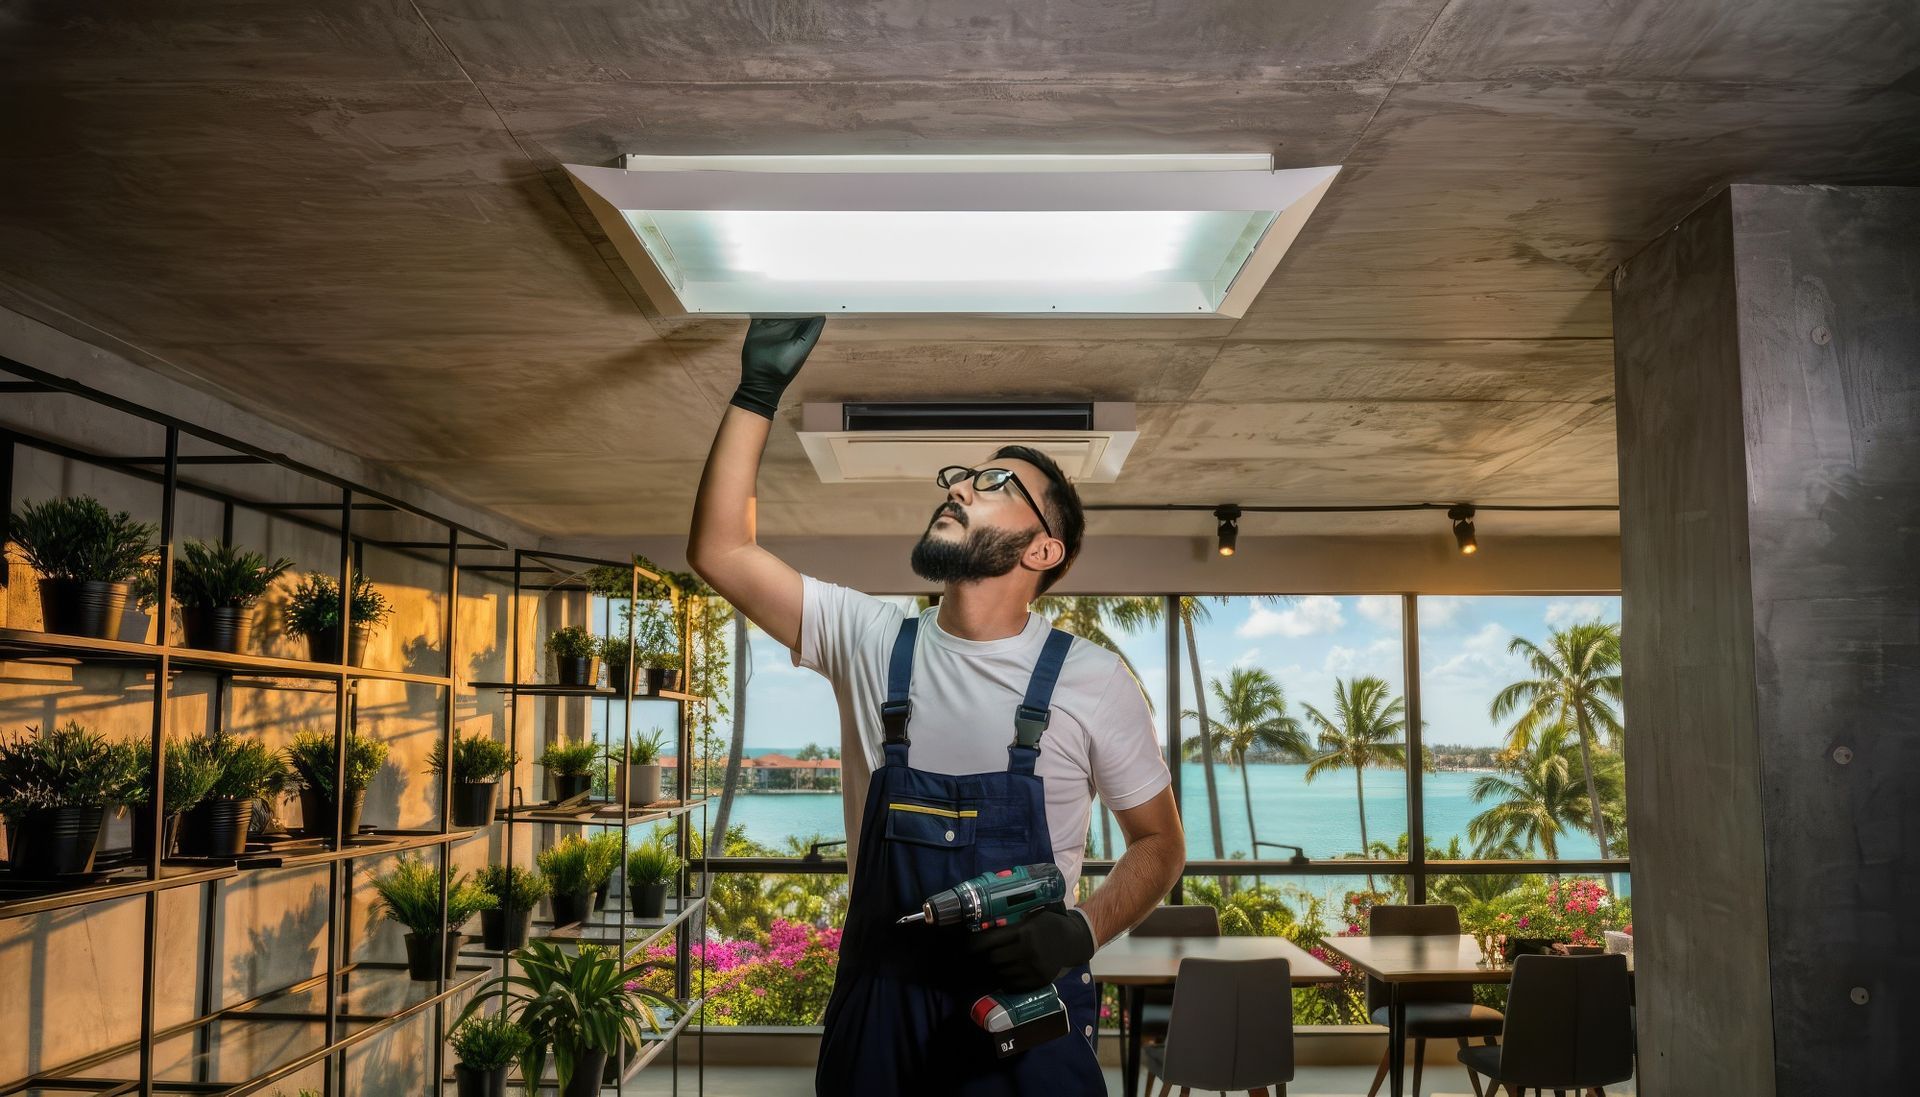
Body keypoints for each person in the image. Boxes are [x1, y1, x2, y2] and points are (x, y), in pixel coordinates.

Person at [688, 317, 1186, 1096]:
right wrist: (757, 392)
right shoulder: (868, 637)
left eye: (996, 483)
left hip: (1027, 1012)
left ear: (1043, 550)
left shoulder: (1092, 679)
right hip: (879, 1006)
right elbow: (720, 549)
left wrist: (1080, 929)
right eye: (964, 475)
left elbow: (1159, 843)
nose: (959, 485)